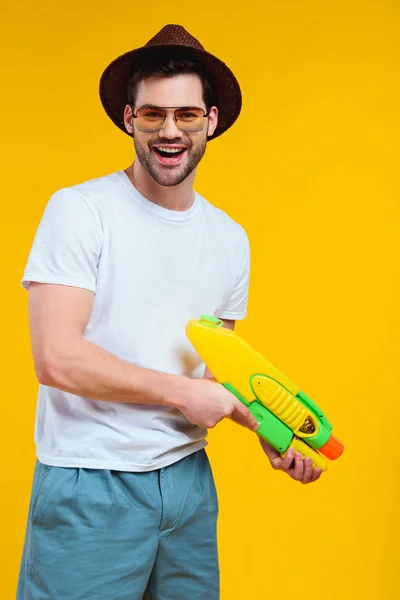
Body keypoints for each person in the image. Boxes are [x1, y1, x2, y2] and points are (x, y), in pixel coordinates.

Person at [17, 24, 322, 600]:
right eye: (153, 115)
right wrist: (181, 395)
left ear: (210, 121)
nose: (169, 131)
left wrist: (267, 429)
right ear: (130, 119)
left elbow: (215, 371)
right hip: (92, 482)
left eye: (186, 115)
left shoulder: (229, 238)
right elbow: (57, 359)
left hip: (188, 485)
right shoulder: (81, 212)